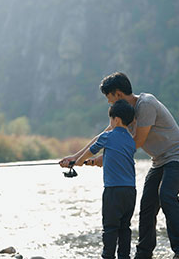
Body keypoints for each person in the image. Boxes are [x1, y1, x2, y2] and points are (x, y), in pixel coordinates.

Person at [60, 72, 179, 259]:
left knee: (166, 195)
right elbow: (104, 136)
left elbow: (134, 144)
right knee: (147, 205)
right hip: (159, 160)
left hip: (177, 156)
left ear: (118, 94)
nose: (109, 103)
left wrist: (103, 159)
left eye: (109, 98)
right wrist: (74, 158)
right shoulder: (123, 115)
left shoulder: (145, 105)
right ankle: (143, 254)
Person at [73, 99, 137, 259]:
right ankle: (124, 256)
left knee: (110, 227)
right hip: (130, 191)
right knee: (124, 227)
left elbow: (91, 150)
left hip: (113, 190)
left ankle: (108, 256)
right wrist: (93, 162)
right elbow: (115, 156)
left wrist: (78, 161)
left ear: (116, 119)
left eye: (111, 119)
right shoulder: (131, 140)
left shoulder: (107, 136)